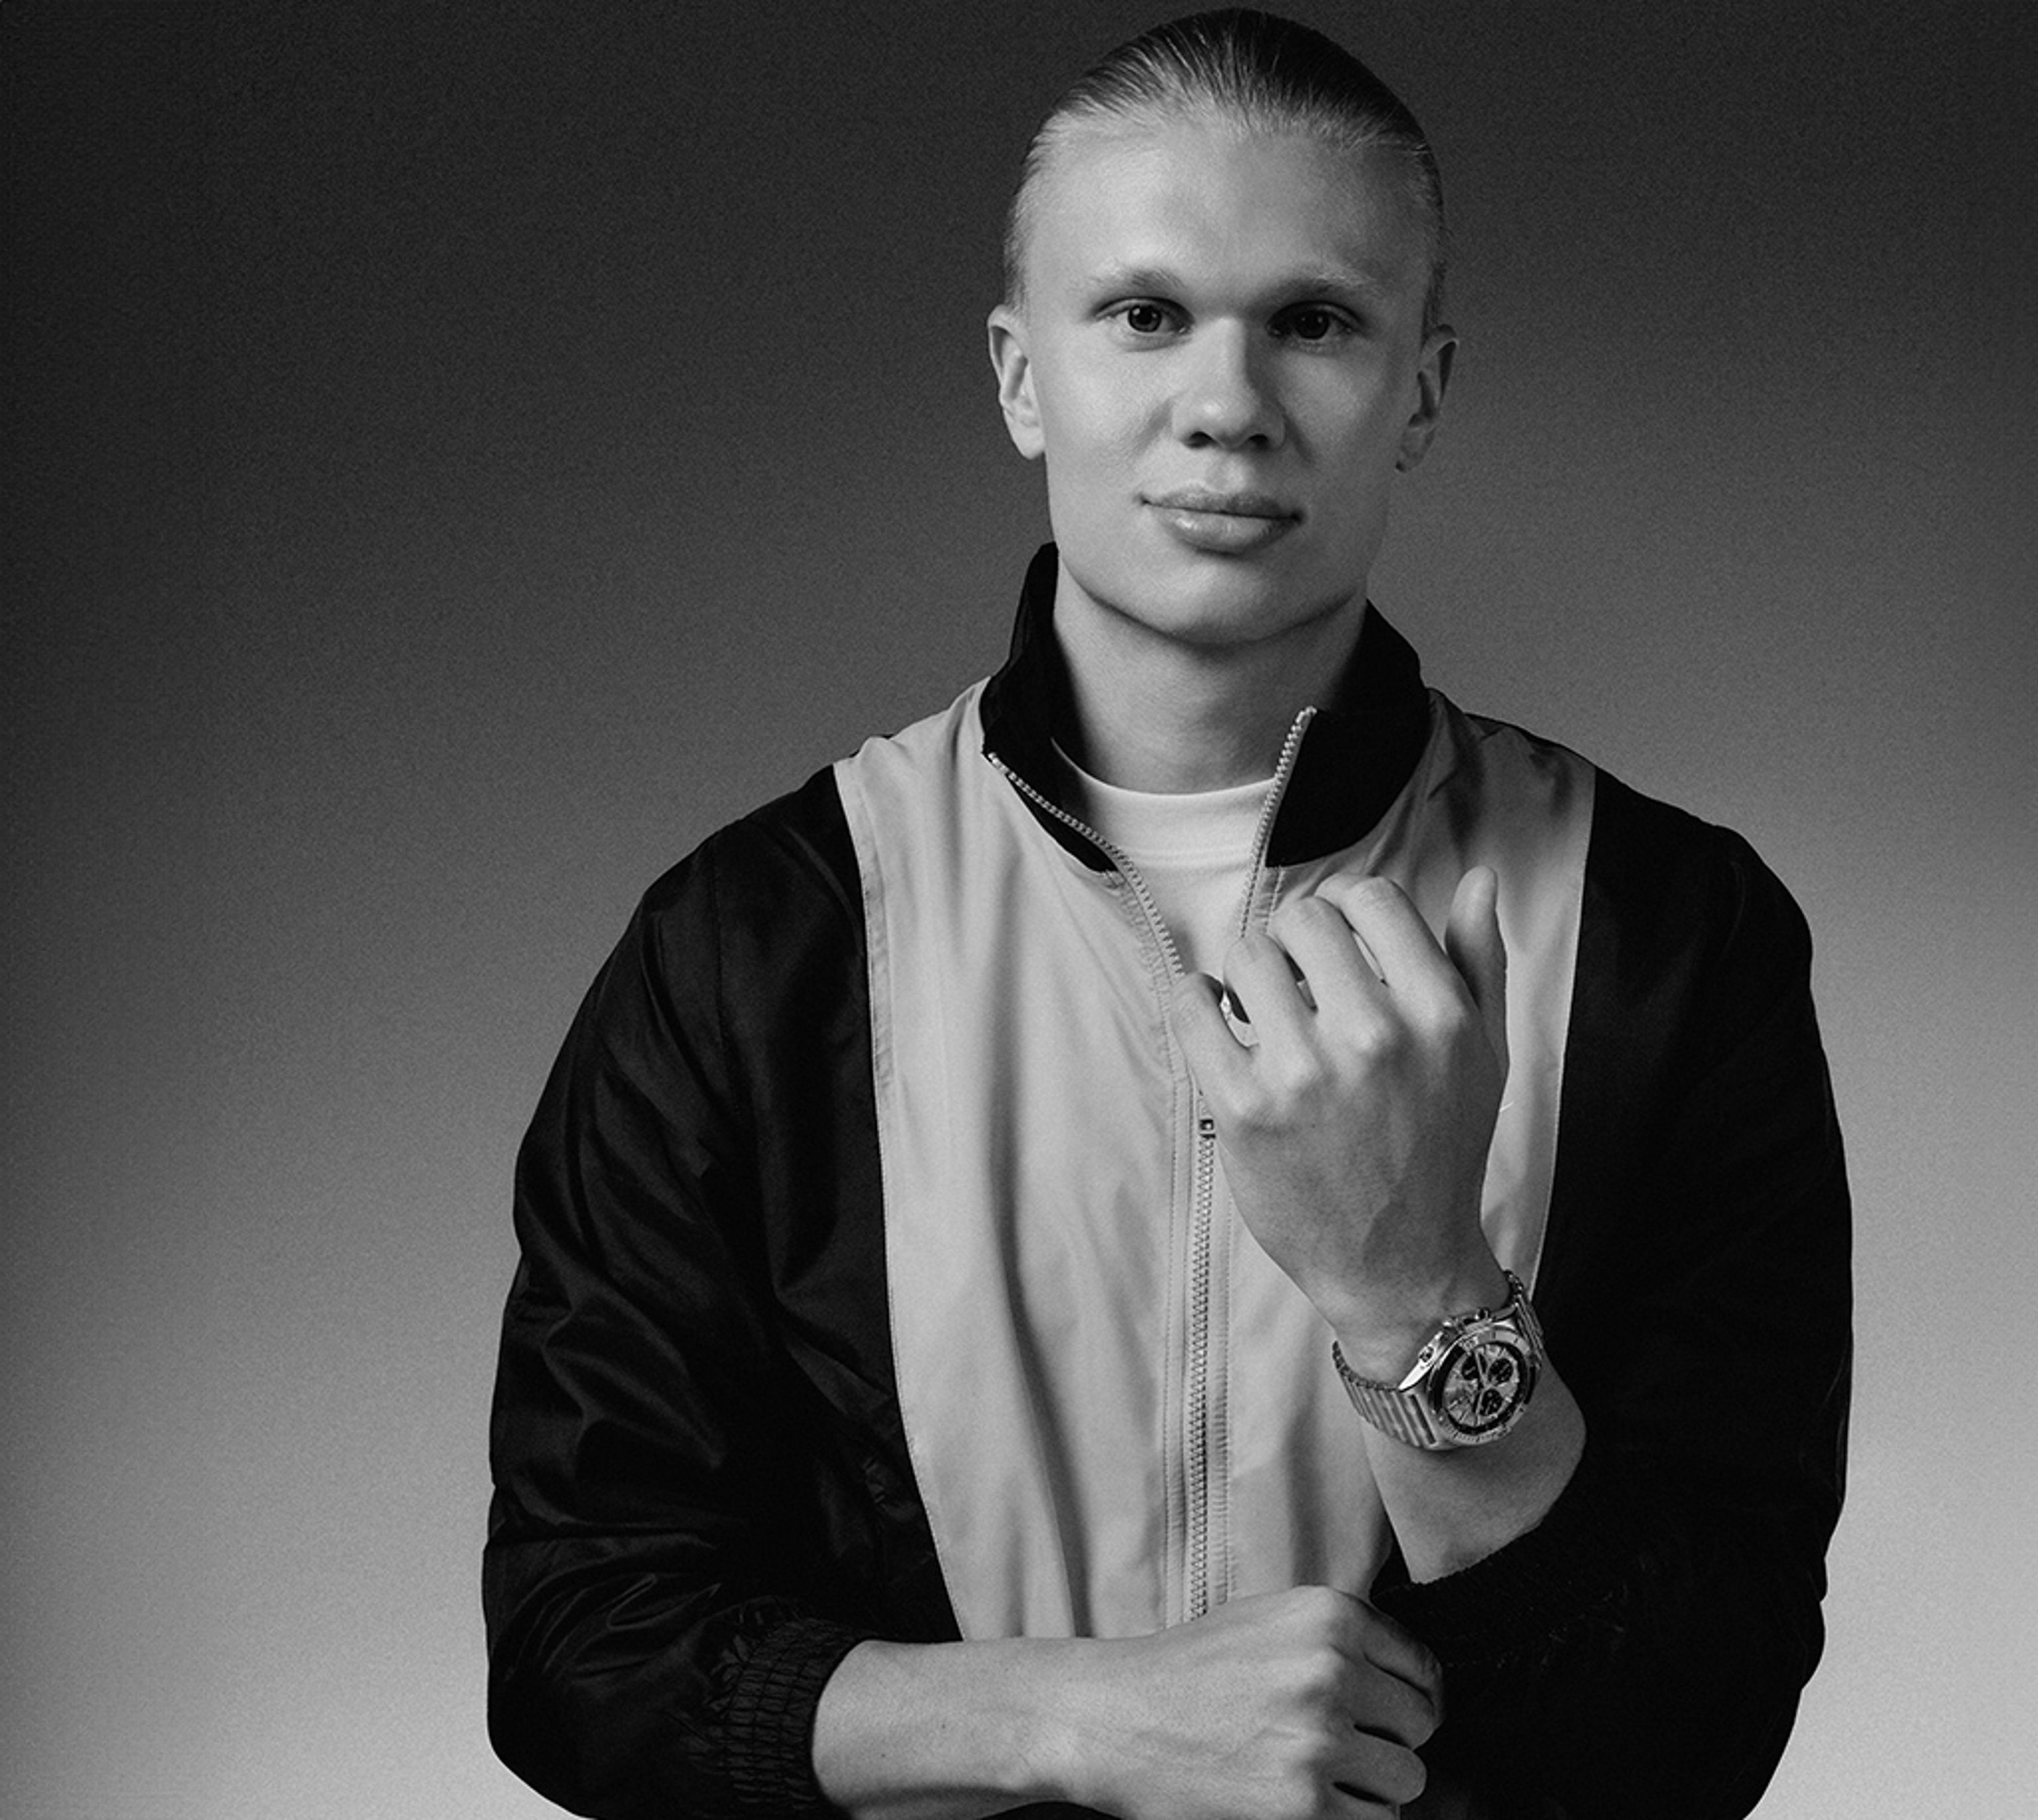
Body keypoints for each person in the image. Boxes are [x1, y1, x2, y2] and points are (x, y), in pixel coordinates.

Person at [483, 11, 1851, 1817]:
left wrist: (1413, 1290)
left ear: (1421, 388)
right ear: (1020, 373)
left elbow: (1697, 1726)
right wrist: (1075, 1716)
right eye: (1143, 313)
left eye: (1315, 320)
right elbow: (576, 1644)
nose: (1227, 399)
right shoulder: (756, 944)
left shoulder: (1673, 934)